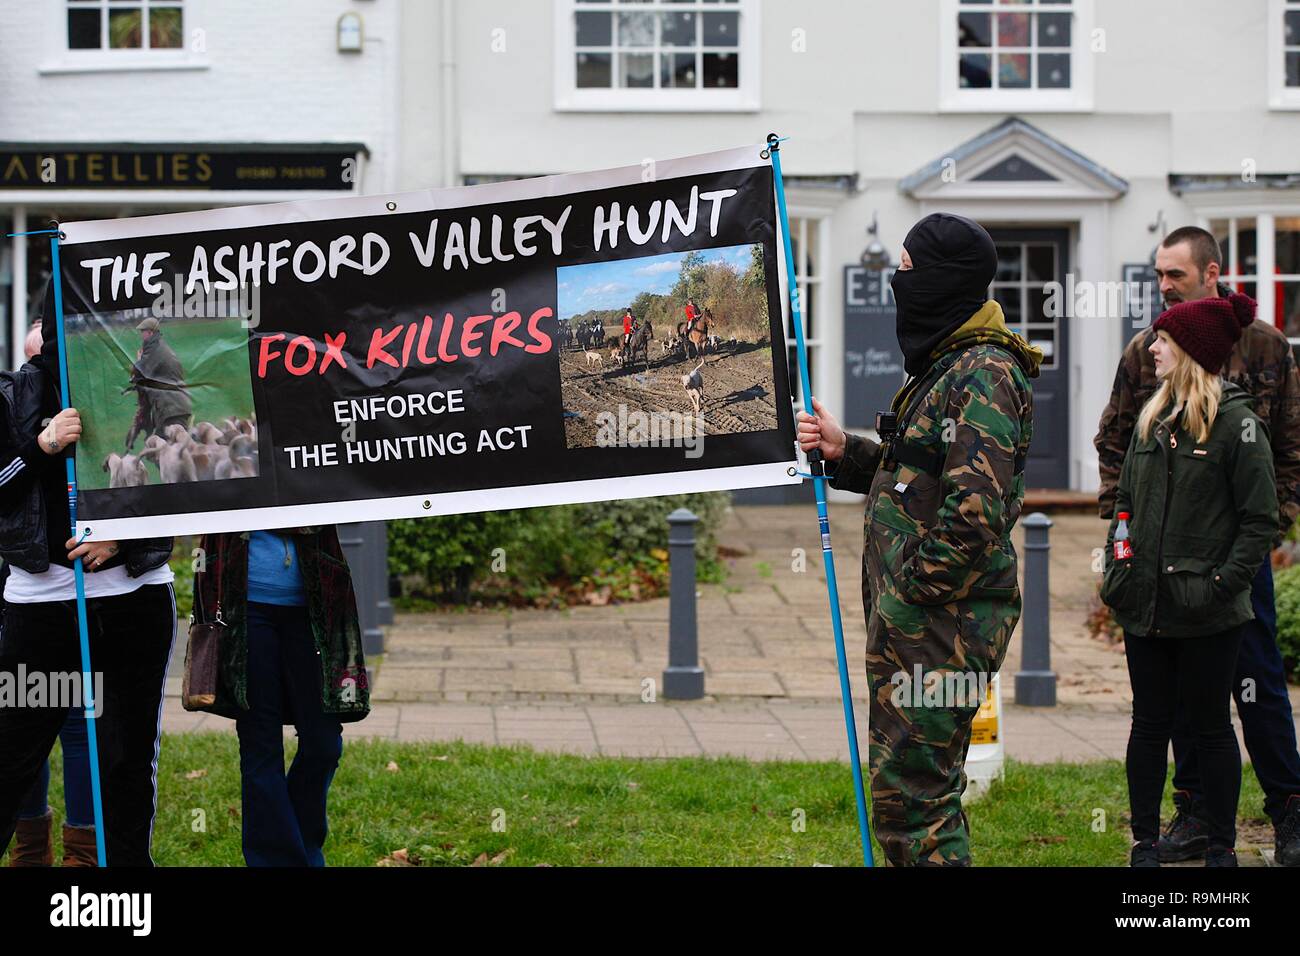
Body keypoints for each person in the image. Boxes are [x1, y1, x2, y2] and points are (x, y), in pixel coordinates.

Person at [796, 213, 1040, 865]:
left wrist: (908, 594)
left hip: (941, 624)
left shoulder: (983, 371)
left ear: (939, 281)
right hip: (920, 622)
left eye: (904, 270)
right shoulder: (945, 365)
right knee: (904, 795)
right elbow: (919, 473)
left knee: (918, 802)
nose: (896, 283)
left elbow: (974, 515)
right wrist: (846, 451)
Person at [1095, 226, 1300, 867]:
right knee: (1178, 698)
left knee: (1256, 685)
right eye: (1157, 274)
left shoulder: (1264, 347)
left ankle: (1288, 809)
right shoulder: (1143, 353)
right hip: (1159, 566)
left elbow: (1290, 450)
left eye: (1174, 275)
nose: (1162, 285)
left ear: (1211, 274)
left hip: (1236, 563)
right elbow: (1116, 447)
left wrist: (1265, 539)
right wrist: (1124, 545)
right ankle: (1193, 815)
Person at [0, 288, 176, 867]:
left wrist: (123, 533)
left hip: (133, 597)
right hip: (41, 601)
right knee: (13, 752)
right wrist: (40, 446)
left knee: (124, 759)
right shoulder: (13, 392)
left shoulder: (144, 384)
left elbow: (186, 480)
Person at [192, 527, 370, 866]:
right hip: (242, 607)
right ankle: (277, 860)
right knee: (261, 745)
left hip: (315, 607)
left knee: (324, 744)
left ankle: (301, 848)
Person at [5, 320, 96, 868]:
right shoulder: (12, 401)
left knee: (82, 722)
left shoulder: (100, 391)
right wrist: (41, 443)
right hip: (27, 587)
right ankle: (30, 848)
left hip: (93, 587)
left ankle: (82, 854)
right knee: (24, 719)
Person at [124, 317, 192, 450]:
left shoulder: (154, 350)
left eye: (142, 331)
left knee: (161, 450)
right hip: (175, 406)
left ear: (150, 332)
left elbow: (138, 374)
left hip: (171, 408)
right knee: (175, 451)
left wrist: (138, 360)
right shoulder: (159, 347)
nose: (141, 334)